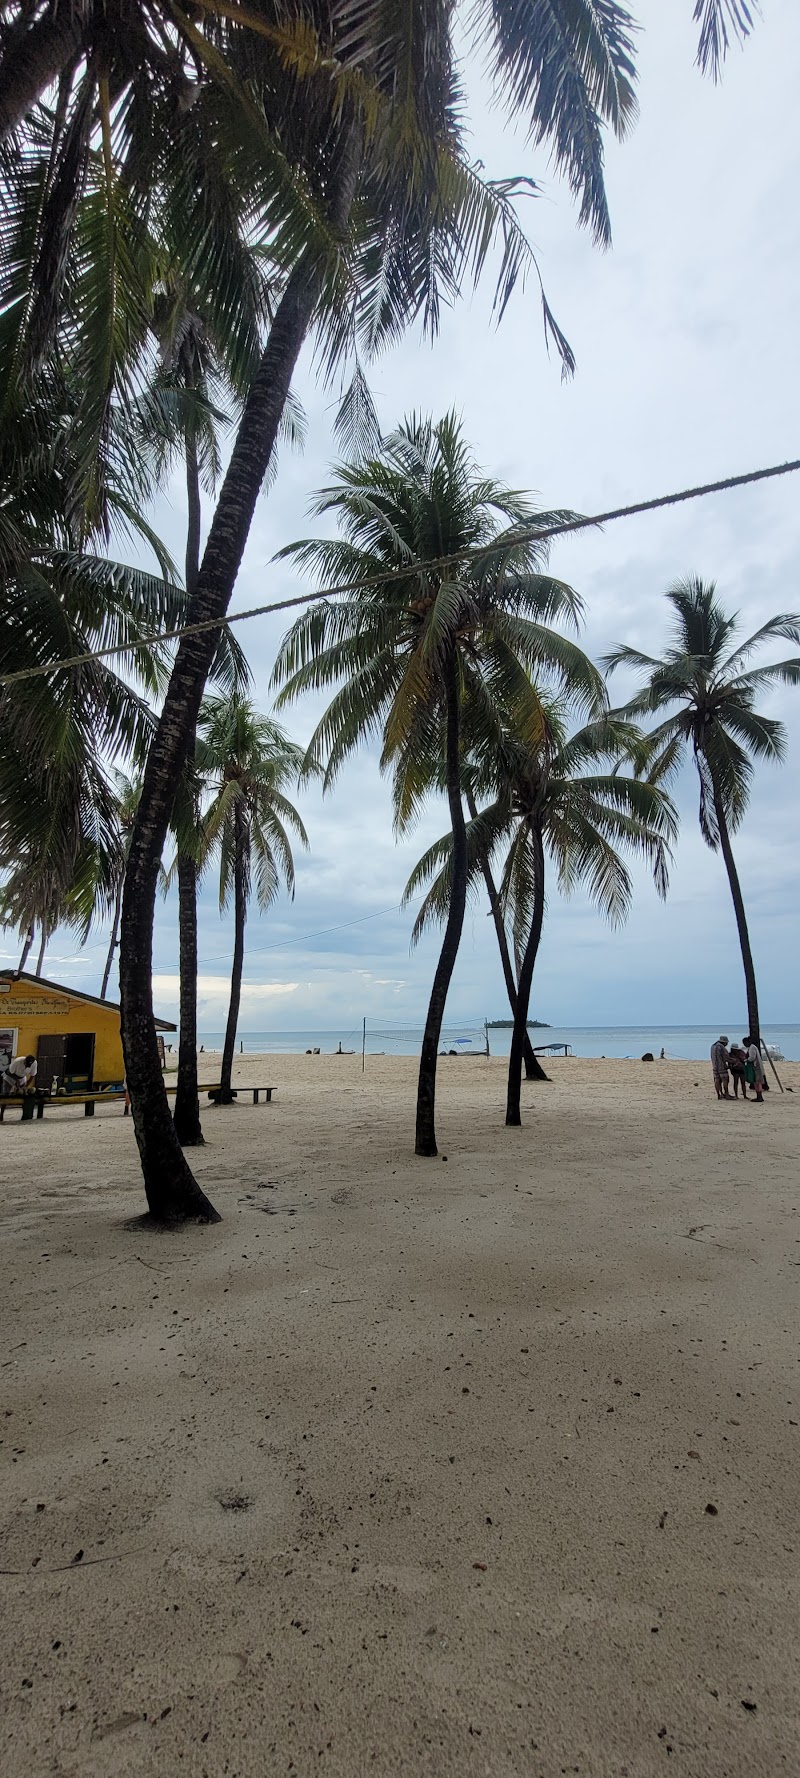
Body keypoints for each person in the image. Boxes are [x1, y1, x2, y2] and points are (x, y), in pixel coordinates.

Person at [743, 1036, 765, 1104]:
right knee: (757, 1082)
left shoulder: (752, 1047)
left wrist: (746, 1060)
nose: (744, 1044)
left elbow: (752, 1057)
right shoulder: (752, 1047)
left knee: (757, 1082)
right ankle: (759, 1096)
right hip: (756, 1066)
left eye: (745, 1043)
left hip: (756, 1067)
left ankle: (759, 1097)